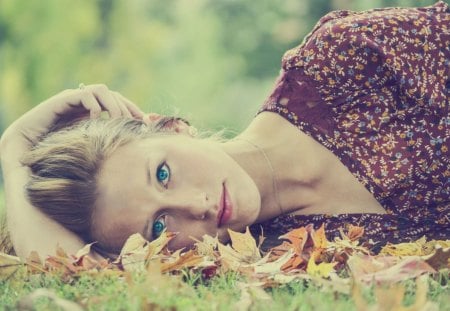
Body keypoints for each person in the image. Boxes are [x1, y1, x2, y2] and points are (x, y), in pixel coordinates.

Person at [1, 2, 449, 259]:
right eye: (158, 227)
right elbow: (71, 286)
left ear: (172, 128)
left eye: (162, 174)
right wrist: (12, 149)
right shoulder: (274, 255)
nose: (196, 208)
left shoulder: (340, 65)